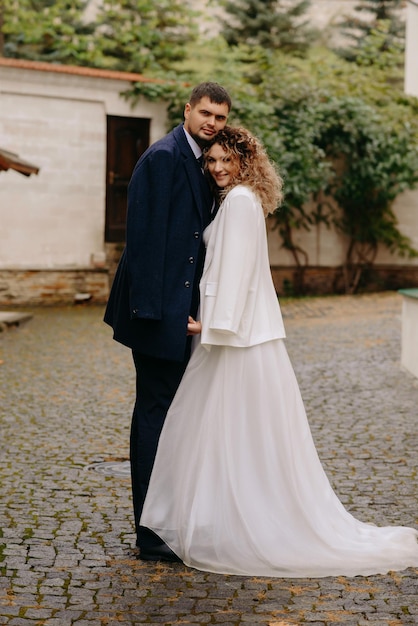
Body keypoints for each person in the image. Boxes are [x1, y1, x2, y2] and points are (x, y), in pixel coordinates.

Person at [140, 126, 418, 577]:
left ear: (245, 162)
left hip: (236, 337)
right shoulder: (237, 201)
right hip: (236, 333)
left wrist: (213, 324)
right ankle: (220, 517)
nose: (217, 168)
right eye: (211, 161)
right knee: (227, 430)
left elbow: (238, 271)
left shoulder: (241, 203)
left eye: (226, 160)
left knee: (229, 429)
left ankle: (235, 522)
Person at [104, 82, 232, 562]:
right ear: (188, 110)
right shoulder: (162, 156)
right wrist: (158, 317)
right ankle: (150, 531)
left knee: (176, 416)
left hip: (185, 313)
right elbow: (143, 242)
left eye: (219, 117)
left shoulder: (206, 160)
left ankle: (172, 516)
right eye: (205, 113)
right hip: (157, 313)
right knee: (155, 415)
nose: (212, 123)